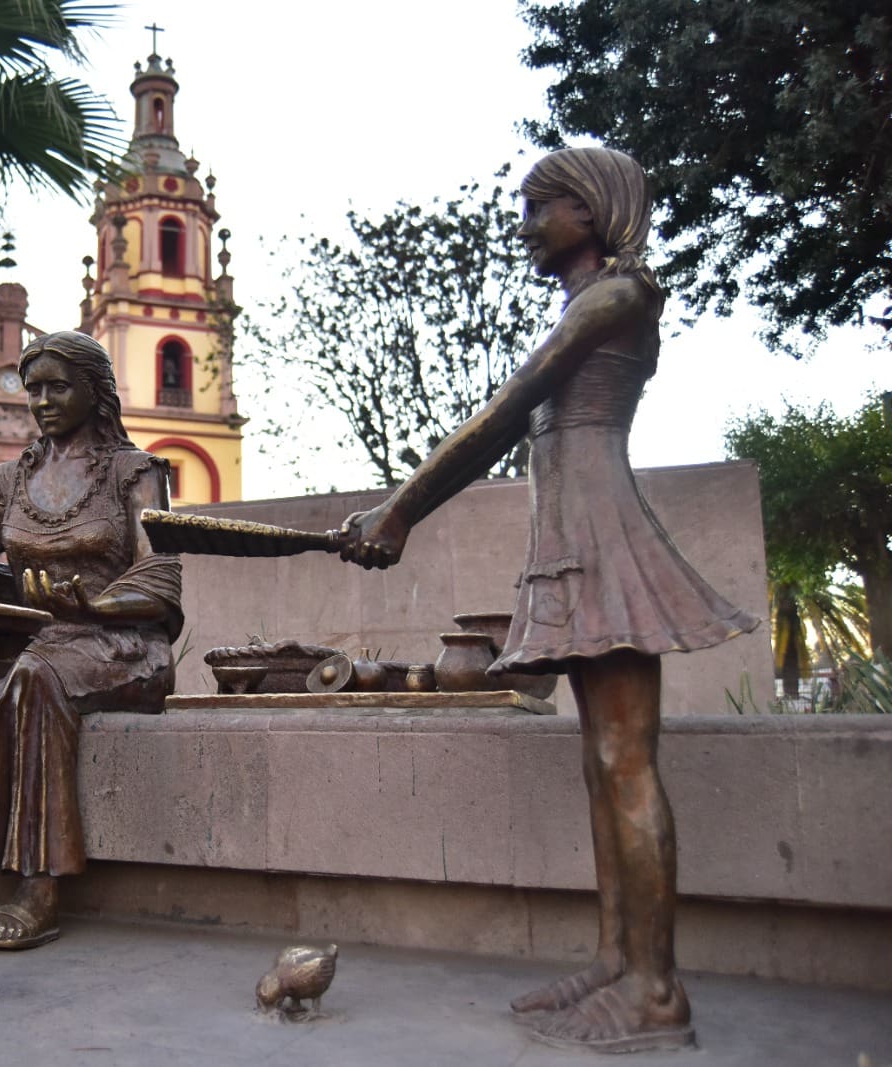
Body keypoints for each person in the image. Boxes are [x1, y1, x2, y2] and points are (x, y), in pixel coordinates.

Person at [335, 147, 757, 1053]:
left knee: (625, 759)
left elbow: (504, 411)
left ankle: (655, 989)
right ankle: (616, 961)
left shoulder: (616, 296)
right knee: (602, 760)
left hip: (604, 530)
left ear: (592, 209)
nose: (525, 227)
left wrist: (401, 509)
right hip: (573, 532)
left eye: (540, 208)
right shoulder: (587, 303)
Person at [0, 330, 182, 950]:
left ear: (94, 391)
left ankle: (39, 887)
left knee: (30, 678)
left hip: (120, 645)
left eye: (58, 387)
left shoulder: (137, 473)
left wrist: (95, 604)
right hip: (33, 643)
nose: (43, 401)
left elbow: (159, 579)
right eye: (34, 390)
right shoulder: (3, 481)